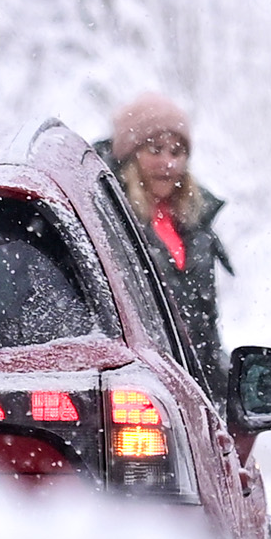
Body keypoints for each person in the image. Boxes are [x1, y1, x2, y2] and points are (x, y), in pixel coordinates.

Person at [98, 93, 229, 379]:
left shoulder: (195, 222)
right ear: (130, 156)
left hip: (195, 380)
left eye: (176, 152)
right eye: (155, 150)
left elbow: (206, 326)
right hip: (142, 383)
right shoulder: (108, 219)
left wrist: (223, 383)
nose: (168, 163)